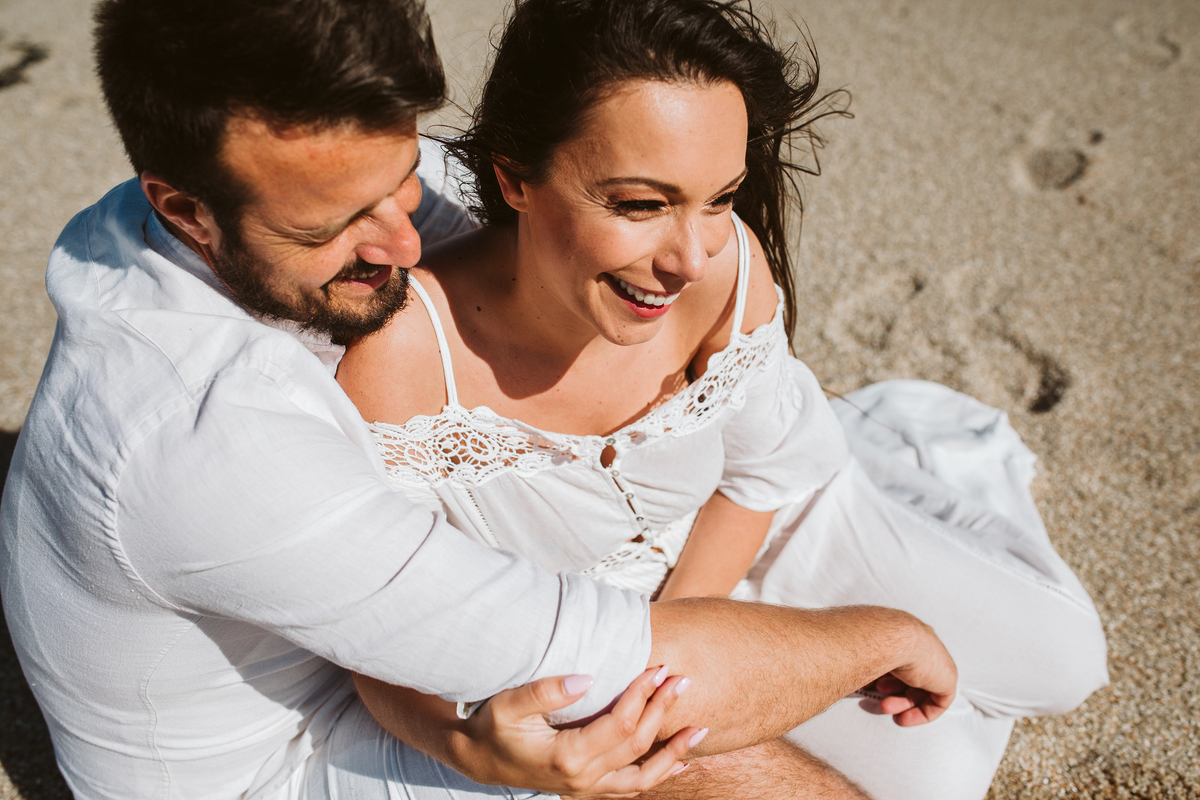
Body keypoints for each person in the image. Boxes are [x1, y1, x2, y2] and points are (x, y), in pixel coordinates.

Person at [0, 0, 961, 798]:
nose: (408, 247)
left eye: (400, 183)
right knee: (666, 746)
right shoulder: (208, 443)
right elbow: (616, 660)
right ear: (184, 209)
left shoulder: (192, 206)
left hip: (368, 633)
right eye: (336, 225)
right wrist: (885, 637)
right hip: (280, 765)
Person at [336, 0, 1111, 797]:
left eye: (719, 197)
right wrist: (464, 745)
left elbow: (758, 480)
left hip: (772, 512)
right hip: (638, 627)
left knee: (1068, 661)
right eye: (641, 205)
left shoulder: (723, 271)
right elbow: (375, 627)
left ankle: (892, 443)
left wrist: (708, 639)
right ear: (513, 178)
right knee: (939, 775)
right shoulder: (402, 367)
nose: (688, 256)